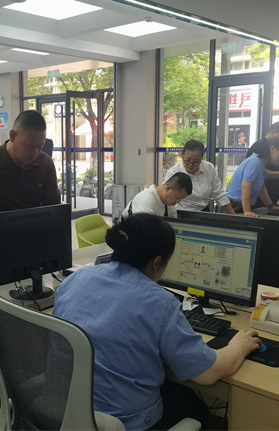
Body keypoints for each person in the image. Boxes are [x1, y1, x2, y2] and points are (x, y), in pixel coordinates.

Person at [52, 213, 260, 430]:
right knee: (195, 406)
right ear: (157, 262)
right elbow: (208, 373)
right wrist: (240, 346)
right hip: (123, 423)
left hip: (63, 412)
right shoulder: (160, 303)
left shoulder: (75, 279)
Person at [0, 110, 60, 253]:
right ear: (13, 136)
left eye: (40, 146)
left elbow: (54, 209)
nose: (35, 152)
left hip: (35, 243)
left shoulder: (45, 164)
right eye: (30, 146)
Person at [164, 139, 234, 214]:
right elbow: (168, 199)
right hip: (181, 212)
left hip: (204, 211)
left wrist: (232, 216)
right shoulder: (173, 173)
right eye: (187, 160)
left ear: (201, 159)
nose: (191, 164)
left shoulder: (209, 168)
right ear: (182, 156)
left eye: (196, 161)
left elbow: (218, 194)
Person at [227, 138, 279, 217]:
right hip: (234, 206)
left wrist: (271, 206)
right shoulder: (255, 162)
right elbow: (245, 187)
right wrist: (247, 211)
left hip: (239, 205)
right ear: (273, 149)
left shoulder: (261, 164)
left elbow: (261, 187)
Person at [246, 120, 279, 208]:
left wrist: (271, 205)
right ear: (273, 132)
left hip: (268, 200)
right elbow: (257, 174)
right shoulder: (260, 147)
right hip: (257, 201)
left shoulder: (270, 146)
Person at [120, 172, 192, 220]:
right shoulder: (146, 200)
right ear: (168, 189)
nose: (178, 202)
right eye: (178, 198)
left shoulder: (170, 205)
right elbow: (145, 231)